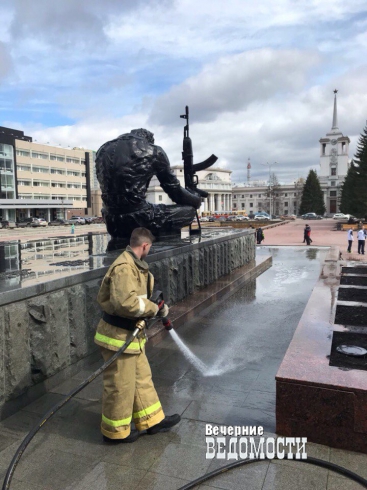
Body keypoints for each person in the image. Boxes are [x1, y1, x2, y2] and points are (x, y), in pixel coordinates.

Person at [94, 227, 181, 443]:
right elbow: (125, 303)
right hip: (117, 339)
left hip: (131, 337)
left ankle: (152, 421)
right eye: (149, 247)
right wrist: (154, 308)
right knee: (120, 386)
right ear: (144, 245)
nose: (149, 250)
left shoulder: (136, 265)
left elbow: (138, 297)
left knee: (142, 379)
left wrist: (156, 306)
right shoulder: (124, 268)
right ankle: (114, 433)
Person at [96, 128, 207, 238]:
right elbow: (175, 192)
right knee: (189, 211)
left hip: (110, 220)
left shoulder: (103, 149)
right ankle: (166, 242)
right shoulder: (154, 151)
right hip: (139, 220)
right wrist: (196, 200)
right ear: (149, 139)